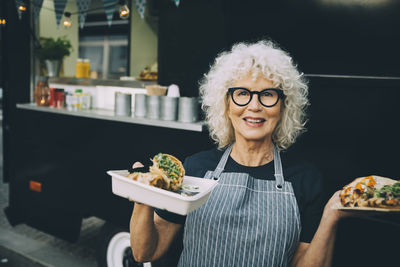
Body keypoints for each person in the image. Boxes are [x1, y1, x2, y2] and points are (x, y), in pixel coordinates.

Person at [130, 40, 346, 267]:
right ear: (226, 104)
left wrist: (331, 215)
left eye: (268, 94)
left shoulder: (304, 179)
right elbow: (145, 252)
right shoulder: (195, 169)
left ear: (283, 107)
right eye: (242, 93)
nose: (254, 106)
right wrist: (143, 199)